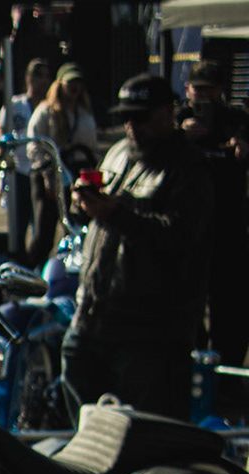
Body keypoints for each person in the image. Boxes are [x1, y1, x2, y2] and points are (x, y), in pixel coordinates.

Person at [62, 74, 213, 420]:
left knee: (144, 431)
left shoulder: (189, 167)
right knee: (85, 428)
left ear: (168, 112)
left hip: (149, 333)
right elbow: (96, 218)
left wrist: (115, 214)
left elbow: (180, 237)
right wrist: (81, 204)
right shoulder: (118, 153)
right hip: (93, 319)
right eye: (126, 117)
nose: (132, 125)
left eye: (141, 117)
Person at [183, 61, 249, 368]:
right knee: (187, 301)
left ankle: (228, 369)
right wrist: (180, 136)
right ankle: (191, 364)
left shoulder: (237, 120)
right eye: (198, 89)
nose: (203, 97)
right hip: (187, 227)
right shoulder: (174, 120)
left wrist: (243, 145)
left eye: (210, 90)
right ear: (187, 89)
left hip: (228, 224)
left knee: (230, 305)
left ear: (221, 90)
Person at [28, 63, 97, 264]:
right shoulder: (45, 111)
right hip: (50, 174)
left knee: (77, 226)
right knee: (44, 233)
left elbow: (91, 147)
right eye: (70, 83)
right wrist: (47, 172)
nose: (75, 87)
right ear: (60, 84)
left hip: (76, 173)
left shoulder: (84, 113)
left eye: (78, 83)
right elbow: (34, 145)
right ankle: (33, 267)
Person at [0, 58, 54, 262]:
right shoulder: (15, 105)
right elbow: (1, 138)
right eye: (39, 76)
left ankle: (36, 263)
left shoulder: (51, 107)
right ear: (29, 78)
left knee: (42, 226)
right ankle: (18, 262)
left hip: (41, 172)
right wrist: (2, 174)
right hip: (19, 171)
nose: (44, 81)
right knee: (18, 226)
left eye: (47, 76)